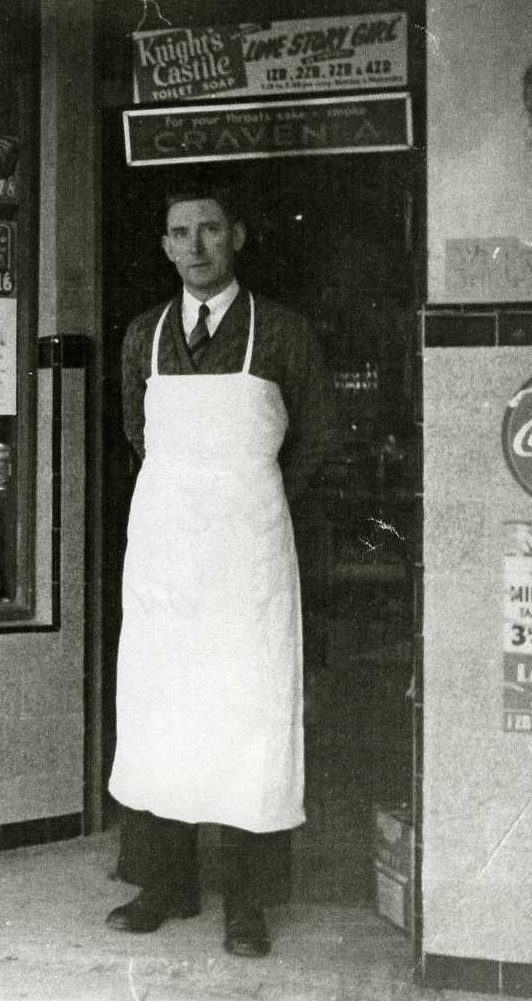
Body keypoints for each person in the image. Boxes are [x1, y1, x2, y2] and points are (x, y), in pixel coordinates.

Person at [107, 184, 329, 958]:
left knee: (247, 718)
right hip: (167, 553)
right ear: (165, 246)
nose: (195, 245)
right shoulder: (143, 334)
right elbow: (138, 433)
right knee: (161, 710)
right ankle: (165, 883)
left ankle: (247, 902)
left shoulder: (284, 331)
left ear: (237, 234)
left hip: (248, 557)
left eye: (209, 229)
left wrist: (249, 500)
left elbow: (318, 437)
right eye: (180, 232)